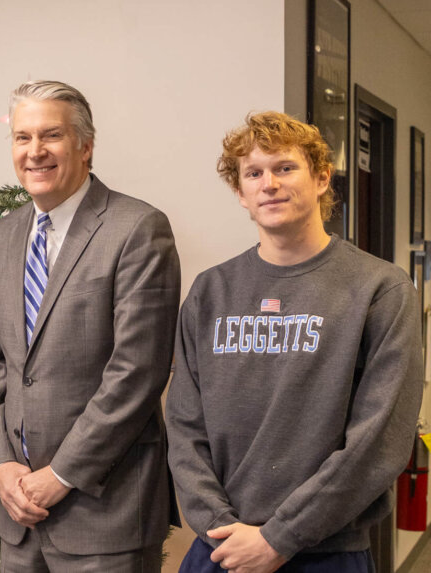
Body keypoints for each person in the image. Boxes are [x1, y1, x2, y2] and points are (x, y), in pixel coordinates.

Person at [166, 111, 423, 573]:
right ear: (241, 193)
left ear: (322, 178)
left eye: (285, 168)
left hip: (326, 553)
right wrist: (220, 528)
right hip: (220, 549)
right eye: (254, 173)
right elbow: (185, 427)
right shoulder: (210, 292)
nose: (269, 184)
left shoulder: (380, 289)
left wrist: (279, 538)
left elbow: (378, 442)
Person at [0, 80, 181, 571]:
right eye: (22, 138)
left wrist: (60, 474)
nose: (34, 152)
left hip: (106, 512)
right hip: (19, 513)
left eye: (51, 136)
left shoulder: (137, 229)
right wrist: (0, 467)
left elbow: (137, 372)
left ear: (85, 146)